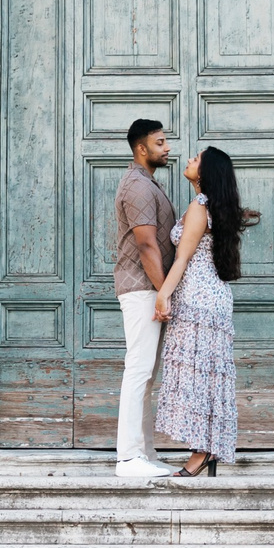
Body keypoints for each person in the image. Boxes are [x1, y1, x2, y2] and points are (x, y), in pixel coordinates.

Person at [153, 145, 251, 478]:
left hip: (197, 302)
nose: (190, 161)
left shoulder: (200, 205)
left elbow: (182, 258)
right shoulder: (212, 208)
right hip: (213, 300)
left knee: (198, 379)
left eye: (197, 159)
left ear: (206, 173)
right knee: (206, 379)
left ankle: (202, 451)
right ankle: (205, 448)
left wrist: (163, 295)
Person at [110, 118, 177, 479]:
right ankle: (127, 457)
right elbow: (147, 243)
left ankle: (144, 454)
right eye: (161, 142)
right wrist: (163, 292)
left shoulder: (147, 183)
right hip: (142, 289)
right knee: (138, 370)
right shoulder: (137, 186)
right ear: (142, 148)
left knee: (146, 373)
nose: (167, 148)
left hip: (149, 288)